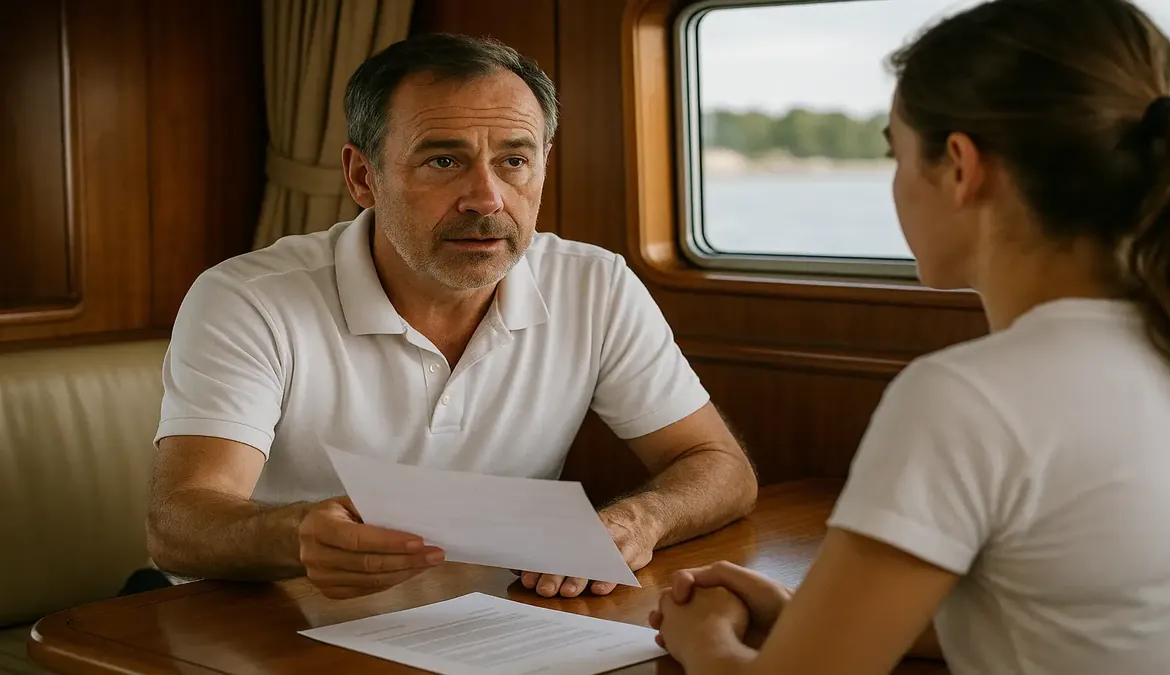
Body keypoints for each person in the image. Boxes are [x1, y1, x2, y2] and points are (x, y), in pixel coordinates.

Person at [650, 0, 1170, 673]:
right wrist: (807, 614)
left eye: (897, 153)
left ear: (962, 167)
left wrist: (700, 636)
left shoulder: (968, 396)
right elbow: (1081, 615)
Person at [144, 33, 757, 601]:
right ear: (364, 177)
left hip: (490, 616)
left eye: (514, 161)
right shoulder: (249, 298)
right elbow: (180, 524)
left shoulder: (595, 284)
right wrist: (296, 536)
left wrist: (638, 519)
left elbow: (720, 467)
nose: (487, 198)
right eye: (443, 161)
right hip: (264, 615)